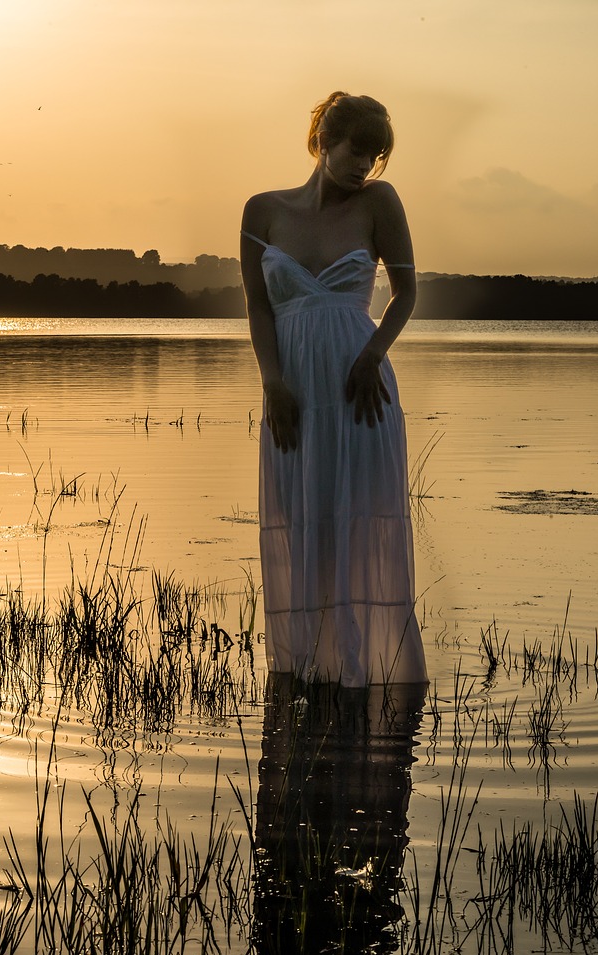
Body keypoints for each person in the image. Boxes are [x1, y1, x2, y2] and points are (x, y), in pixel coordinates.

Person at [240, 91, 428, 686]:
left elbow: (406, 293)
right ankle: (308, 678)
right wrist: (272, 384)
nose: (364, 166)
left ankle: (367, 675)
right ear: (324, 140)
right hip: (294, 393)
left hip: (358, 392)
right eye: (356, 150)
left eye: (375, 156)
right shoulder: (261, 210)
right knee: (303, 527)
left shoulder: (379, 203)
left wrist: (373, 355)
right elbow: (258, 307)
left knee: (358, 526)